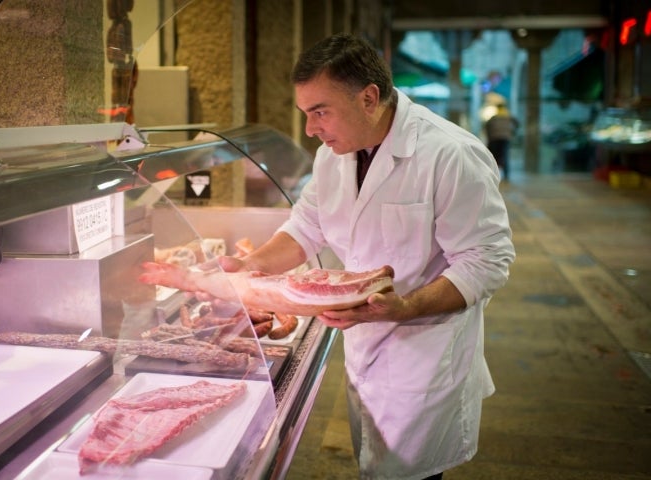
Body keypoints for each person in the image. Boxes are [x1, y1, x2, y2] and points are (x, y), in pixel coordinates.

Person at [219, 33, 515, 479]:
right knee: (375, 468)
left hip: (424, 355)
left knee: (411, 474)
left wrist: (406, 306)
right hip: (364, 350)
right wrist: (248, 267)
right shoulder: (330, 157)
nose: (310, 129)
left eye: (320, 111)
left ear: (369, 98)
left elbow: (486, 259)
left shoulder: (450, 154)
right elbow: (306, 227)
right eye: (305, 114)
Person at [484, 104, 518, 180]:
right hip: (505, 138)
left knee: (494, 156)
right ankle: (506, 175)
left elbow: (486, 126)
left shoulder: (494, 117)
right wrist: (512, 132)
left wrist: (489, 136)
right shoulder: (509, 117)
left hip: (494, 138)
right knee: (505, 156)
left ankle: (493, 174)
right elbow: (517, 123)